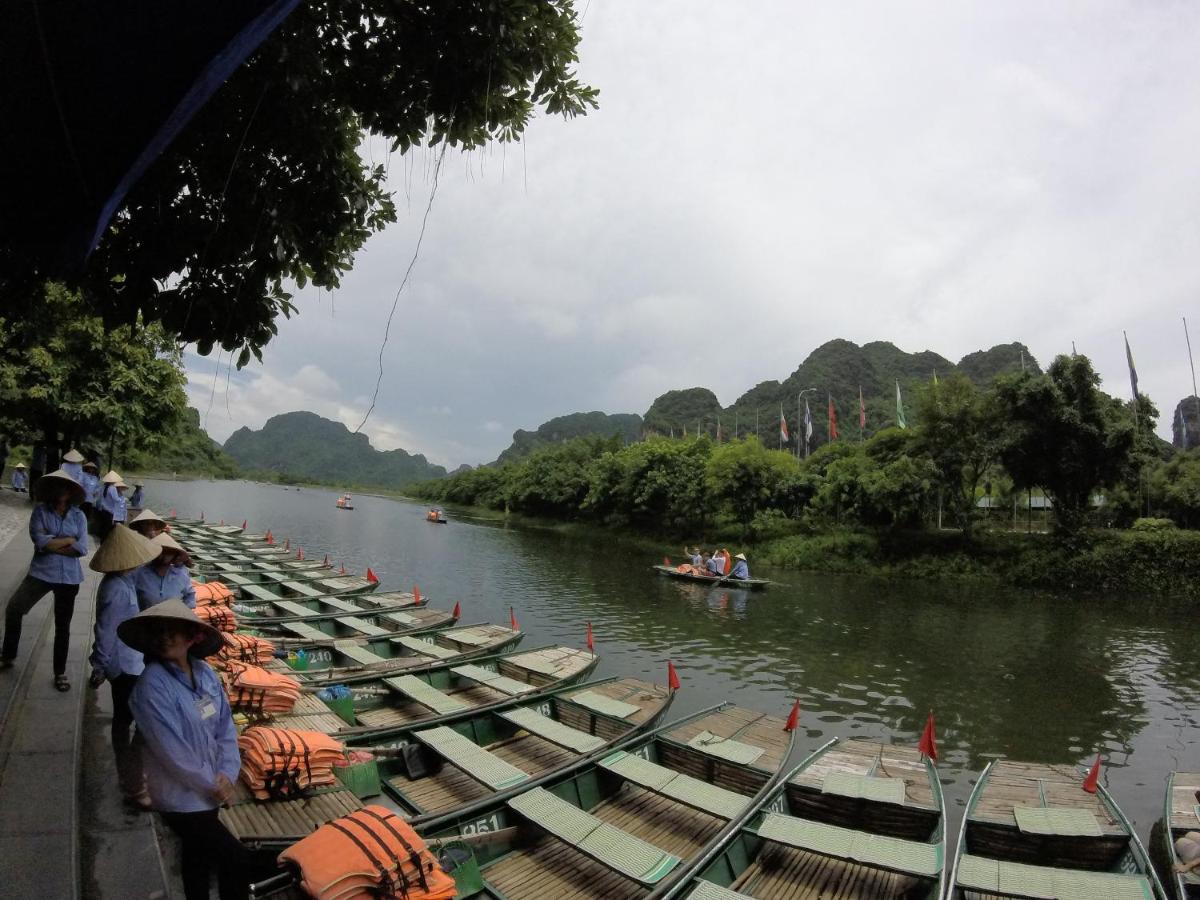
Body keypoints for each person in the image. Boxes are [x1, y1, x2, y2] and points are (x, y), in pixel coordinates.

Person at [122, 600, 253, 900]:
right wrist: (212, 783)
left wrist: (227, 772)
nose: (165, 637)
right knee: (235, 859)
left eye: (174, 631)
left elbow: (225, 729)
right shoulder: (151, 686)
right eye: (159, 631)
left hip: (210, 790)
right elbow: (171, 750)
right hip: (178, 797)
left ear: (192, 636)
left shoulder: (205, 674)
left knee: (198, 861)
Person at [87, 524, 160, 809]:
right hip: (123, 665)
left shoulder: (124, 582)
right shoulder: (116, 589)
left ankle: (130, 776)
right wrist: (100, 665)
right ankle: (132, 783)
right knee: (135, 721)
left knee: (126, 721)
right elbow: (105, 630)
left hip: (131, 661)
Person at [0, 469, 89, 690]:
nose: (61, 490)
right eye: (57, 486)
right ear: (51, 489)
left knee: (63, 626)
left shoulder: (79, 516)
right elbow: (39, 540)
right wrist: (67, 540)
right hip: (41, 572)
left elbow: (82, 548)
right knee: (14, 608)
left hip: (69, 578)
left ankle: (60, 672)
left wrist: (53, 544)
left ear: (70, 492)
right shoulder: (40, 511)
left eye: (65, 487)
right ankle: (8, 654)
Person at [137, 532, 196, 610]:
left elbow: (190, 596)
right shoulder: (139, 573)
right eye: (161, 551)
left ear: (174, 555)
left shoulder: (180, 575)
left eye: (169, 552)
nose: (164, 555)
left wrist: (183, 612)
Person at [80, 460, 101, 527]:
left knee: (88, 514)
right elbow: (80, 484)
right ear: (87, 468)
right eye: (89, 468)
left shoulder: (95, 478)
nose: (91, 469)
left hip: (90, 499)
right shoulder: (83, 475)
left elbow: (98, 487)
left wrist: (96, 491)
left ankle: (85, 527)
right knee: (81, 513)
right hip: (83, 498)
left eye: (92, 468)